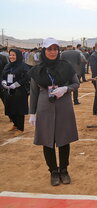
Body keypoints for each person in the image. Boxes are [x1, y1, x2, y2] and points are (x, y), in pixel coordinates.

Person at [28, 37, 79, 186]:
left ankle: (64, 170)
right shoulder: (37, 70)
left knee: (64, 140)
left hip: (64, 106)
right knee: (47, 140)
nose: (53, 52)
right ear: (44, 50)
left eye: (55, 49)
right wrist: (32, 113)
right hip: (44, 107)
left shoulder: (66, 66)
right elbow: (34, 92)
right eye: (49, 49)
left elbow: (76, 83)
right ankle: (53, 171)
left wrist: (65, 89)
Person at [1, 49, 30, 136]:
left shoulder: (23, 66)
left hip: (20, 91)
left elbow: (27, 77)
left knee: (19, 109)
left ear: (18, 56)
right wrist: (3, 81)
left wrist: (17, 84)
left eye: (13, 55)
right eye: (10, 55)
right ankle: (15, 124)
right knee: (10, 107)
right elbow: (3, 75)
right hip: (9, 89)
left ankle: (20, 128)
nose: (11, 57)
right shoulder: (8, 66)